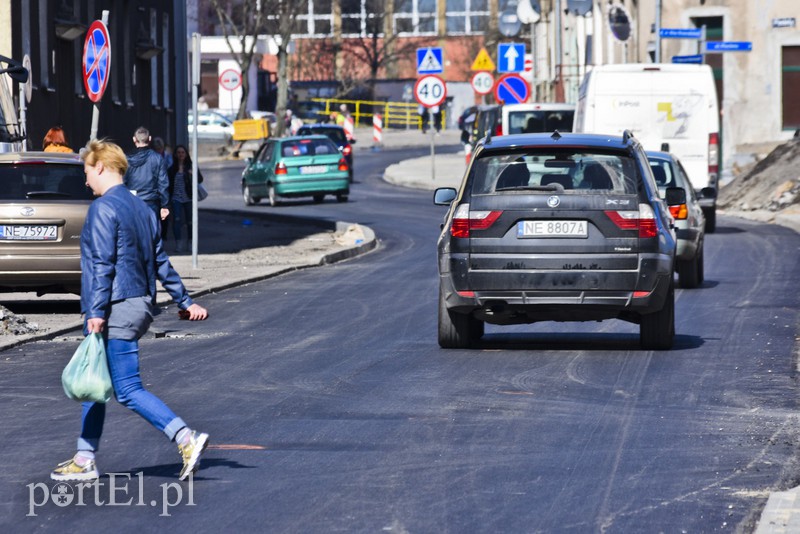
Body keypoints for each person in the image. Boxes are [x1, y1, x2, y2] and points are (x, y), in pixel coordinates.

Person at [51, 138, 210, 483]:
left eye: (87, 171)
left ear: (103, 167)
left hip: (114, 306)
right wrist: (184, 300)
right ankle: (84, 457)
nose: (86, 180)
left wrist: (94, 311)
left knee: (125, 388)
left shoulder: (103, 209)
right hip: (138, 302)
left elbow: (101, 264)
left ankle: (186, 438)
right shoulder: (142, 209)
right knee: (96, 379)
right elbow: (160, 261)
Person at [124, 127, 170, 224]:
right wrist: (164, 205)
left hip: (132, 201)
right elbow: (163, 183)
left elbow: (121, 181)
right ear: (149, 139)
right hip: (151, 201)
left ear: (134, 139)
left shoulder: (126, 159)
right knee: (151, 234)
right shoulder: (157, 158)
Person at [167, 145, 203, 252]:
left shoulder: (191, 166)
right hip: (176, 197)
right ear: (175, 154)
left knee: (190, 221)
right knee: (177, 220)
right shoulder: (172, 168)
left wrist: (193, 174)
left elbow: (200, 179)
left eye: (183, 152)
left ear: (186, 154)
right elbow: (168, 184)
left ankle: (191, 242)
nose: (181, 155)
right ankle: (179, 243)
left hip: (189, 197)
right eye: (178, 152)